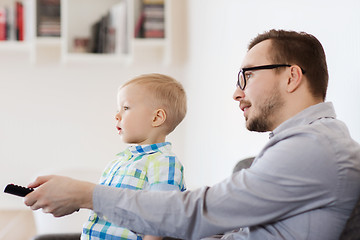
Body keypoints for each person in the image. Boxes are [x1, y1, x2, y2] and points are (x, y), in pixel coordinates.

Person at [25, 29, 360, 240]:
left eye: (246, 77)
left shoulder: (315, 147)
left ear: (291, 77)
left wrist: (86, 195)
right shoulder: (303, 144)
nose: (236, 93)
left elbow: (198, 212)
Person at [88, 74, 188, 240]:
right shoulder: (119, 160)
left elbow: (161, 216)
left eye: (125, 108)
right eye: (117, 109)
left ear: (156, 118)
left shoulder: (164, 162)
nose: (117, 115)